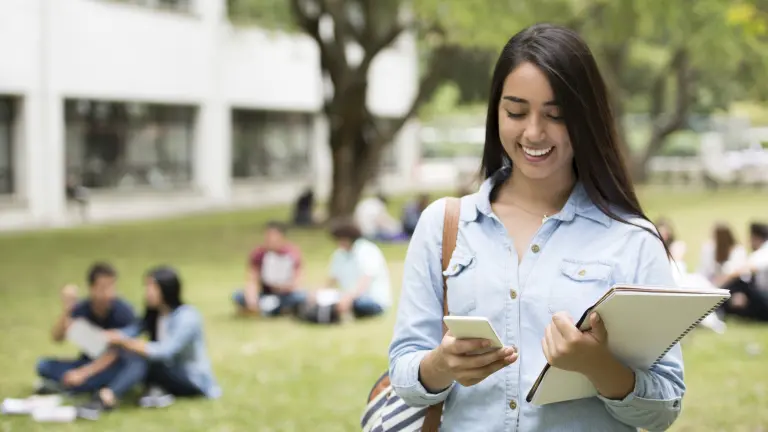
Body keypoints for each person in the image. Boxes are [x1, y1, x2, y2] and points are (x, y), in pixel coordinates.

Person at [388, 24, 684, 431]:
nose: (533, 132)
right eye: (515, 111)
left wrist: (599, 368)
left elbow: (664, 406)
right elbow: (404, 374)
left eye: (555, 115)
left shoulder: (632, 240)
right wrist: (441, 365)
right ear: (496, 113)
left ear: (586, 118)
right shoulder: (444, 225)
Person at [77, 266, 221, 419]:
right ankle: (146, 392)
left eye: (152, 287)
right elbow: (131, 331)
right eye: (146, 287)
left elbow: (165, 352)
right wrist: (110, 336)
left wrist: (126, 342)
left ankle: (107, 396)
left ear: (167, 289)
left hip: (192, 381)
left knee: (139, 357)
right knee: (129, 354)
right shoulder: (155, 314)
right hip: (167, 373)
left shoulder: (187, 317)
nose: (147, 292)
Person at [35, 263, 136, 396]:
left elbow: (114, 353)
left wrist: (83, 373)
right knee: (43, 365)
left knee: (119, 372)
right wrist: (67, 309)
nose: (108, 293)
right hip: (87, 361)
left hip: (112, 365)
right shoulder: (83, 308)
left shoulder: (123, 312)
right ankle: (74, 385)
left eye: (112, 286)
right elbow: (57, 337)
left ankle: (69, 386)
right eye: (103, 288)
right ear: (92, 288)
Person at [311, 220, 392, 320]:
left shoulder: (367, 250)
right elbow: (332, 279)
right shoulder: (339, 254)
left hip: (371, 300)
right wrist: (318, 293)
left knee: (357, 304)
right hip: (347, 297)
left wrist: (348, 298)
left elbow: (365, 281)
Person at [232, 221, 306, 317]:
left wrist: (282, 287)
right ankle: (271, 309)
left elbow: (297, 281)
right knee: (238, 296)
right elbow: (252, 279)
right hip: (265, 293)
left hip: (285, 294)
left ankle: (278, 309)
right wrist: (251, 299)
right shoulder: (259, 254)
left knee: (301, 297)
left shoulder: (291, 254)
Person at [715, 222, 768, 322]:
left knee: (736, 285)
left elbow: (745, 269)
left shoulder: (764, 251)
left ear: (756, 238)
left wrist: (721, 282)